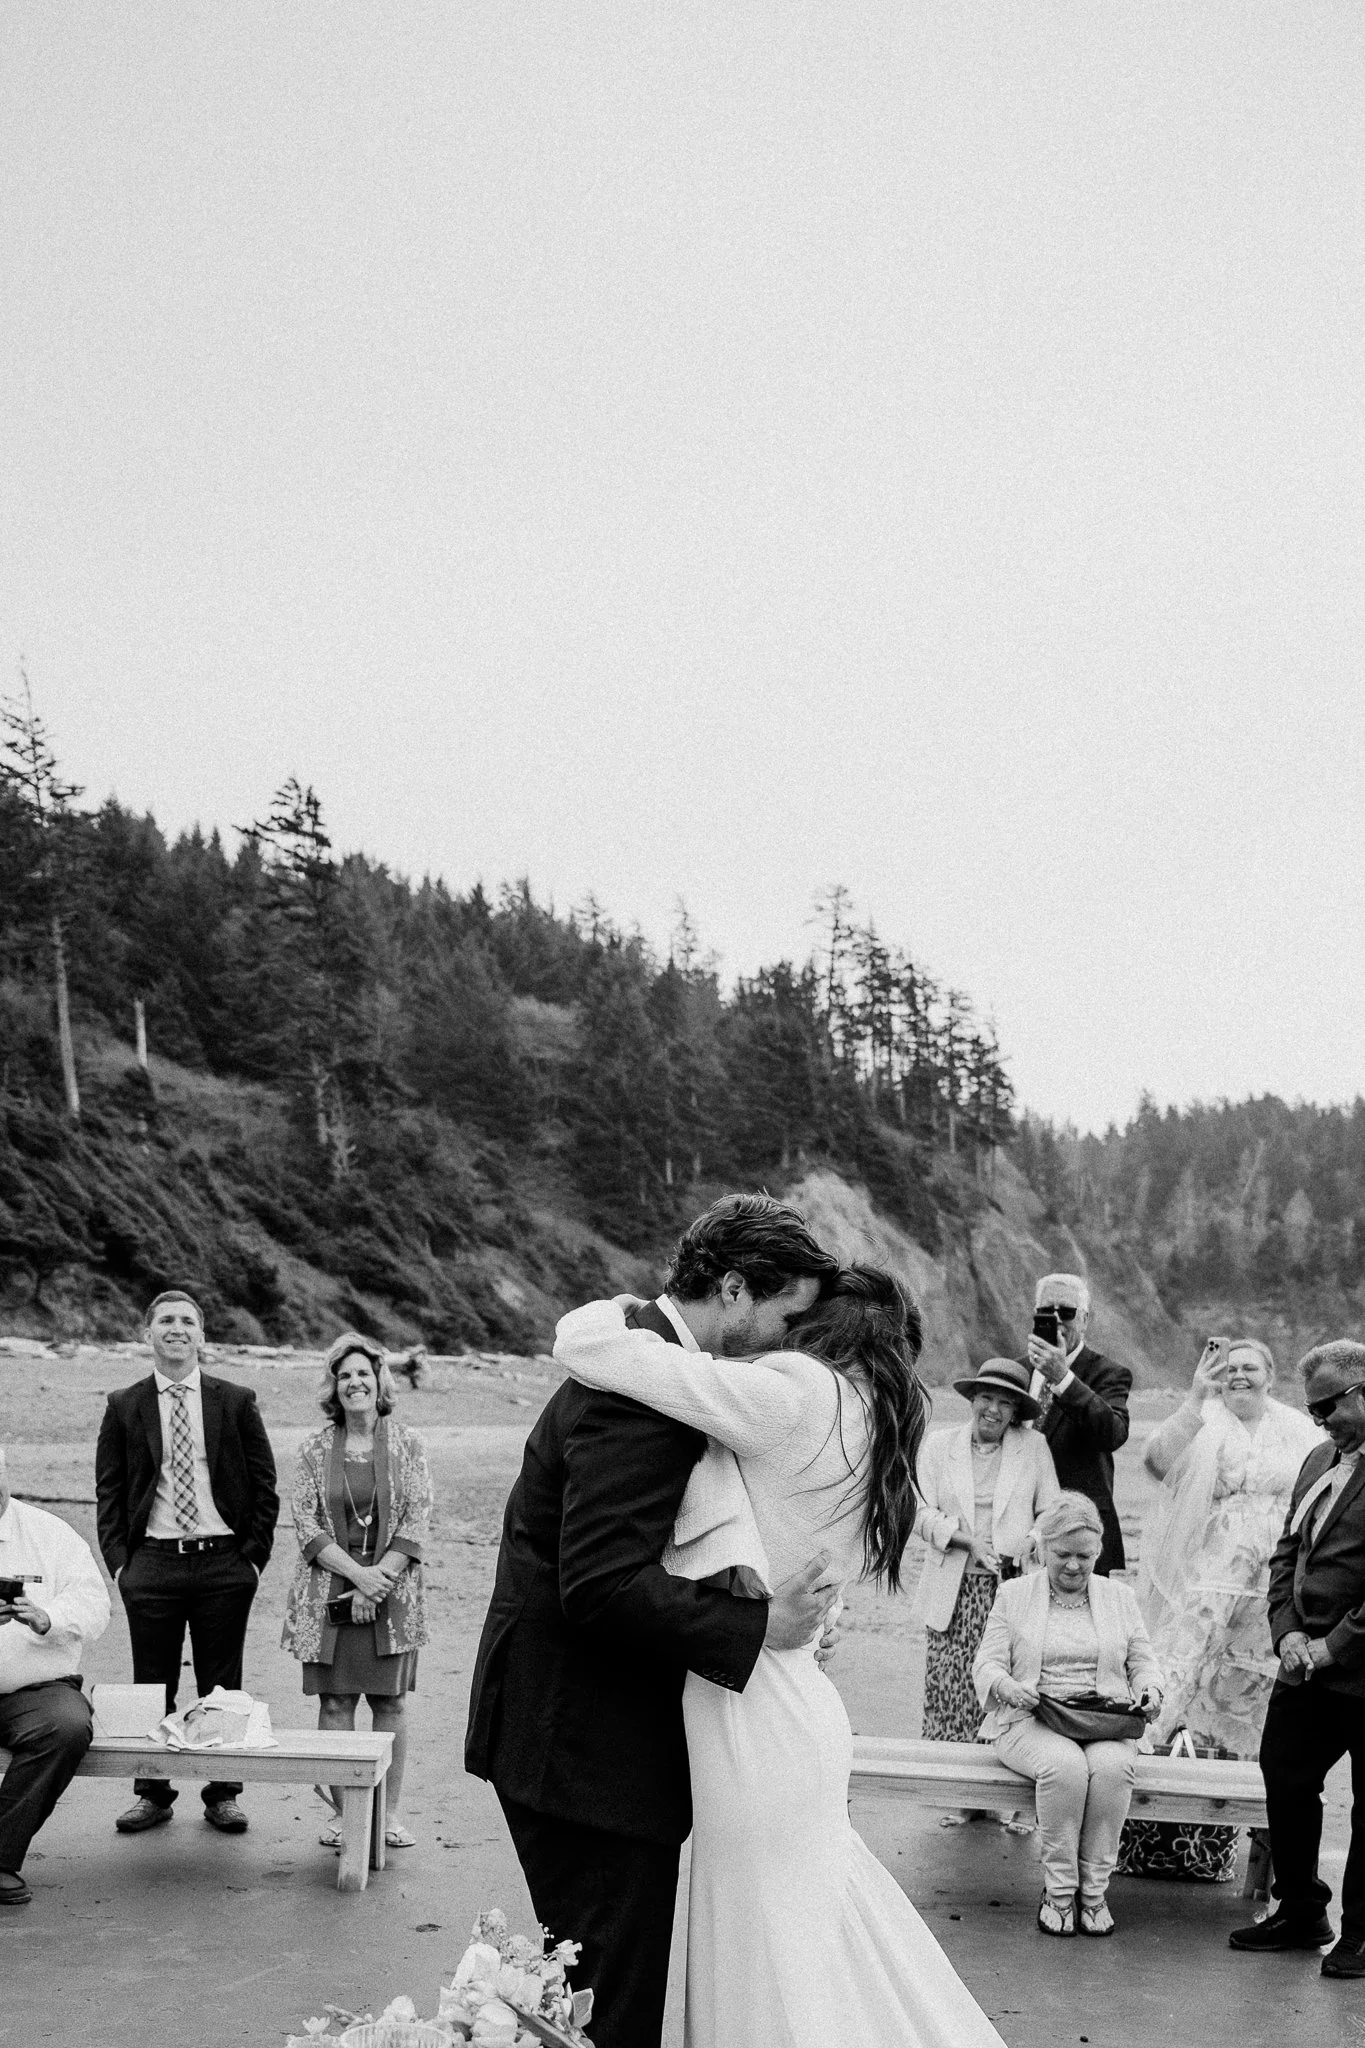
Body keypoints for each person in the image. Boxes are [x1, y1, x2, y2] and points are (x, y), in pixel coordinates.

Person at [555, 1264, 1012, 2048]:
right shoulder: (872, 1412)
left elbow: (599, 1350)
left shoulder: (796, 1388)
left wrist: (619, 1309)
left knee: (761, 1930)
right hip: (787, 1694)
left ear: (820, 1323)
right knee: (799, 1925)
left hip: (753, 1707)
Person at [465, 1194, 846, 2048]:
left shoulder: (642, 1358)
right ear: (737, 1288)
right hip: (584, 1754)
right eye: (787, 1315)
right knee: (610, 2004)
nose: (789, 1341)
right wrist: (759, 1628)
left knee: (585, 1989)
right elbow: (598, 1585)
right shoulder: (642, 1398)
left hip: (564, 1733)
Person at [1127, 1336, 1317, 1883]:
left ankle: (1236, 1837)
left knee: (1248, 1695)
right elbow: (1158, 1463)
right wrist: (1193, 1398)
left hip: (1272, 1582)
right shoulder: (1205, 1418)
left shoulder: (1295, 1427)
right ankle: (1144, 1814)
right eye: (1229, 1367)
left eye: (1249, 1367)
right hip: (1210, 1573)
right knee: (1183, 1674)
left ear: (1271, 1374)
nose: (1238, 1376)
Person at [94, 1289, 279, 1836]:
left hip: (223, 1562)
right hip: (151, 1564)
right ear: (147, 1333)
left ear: (202, 1335)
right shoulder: (124, 1405)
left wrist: (253, 1559)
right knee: (152, 1685)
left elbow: (264, 1484)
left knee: (223, 1686)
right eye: (166, 1321)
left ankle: (222, 1792)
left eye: (188, 1321)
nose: (177, 1329)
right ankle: (153, 1793)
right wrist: (121, 1565)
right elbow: (109, 1490)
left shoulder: (235, 1400)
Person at [1229, 1340, 1365, 1978]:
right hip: (1300, 1662)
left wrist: (1332, 1646)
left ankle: (1361, 1936)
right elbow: (1287, 1554)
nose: (1318, 1421)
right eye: (1310, 1410)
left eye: (1328, 1408)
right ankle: (1301, 1908)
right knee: (1284, 1775)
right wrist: (1285, 1632)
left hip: (1358, 1670)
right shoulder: (1318, 1459)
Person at [973, 1491, 1163, 1938]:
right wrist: (1007, 1687)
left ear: (1099, 1552)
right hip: (1030, 1719)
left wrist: (1151, 1690)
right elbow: (987, 1663)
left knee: (1114, 1767)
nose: (1074, 1566)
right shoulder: (1014, 1594)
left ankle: (1094, 1893)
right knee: (1065, 1767)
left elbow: (1143, 1661)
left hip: (1103, 1720)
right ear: (1041, 1549)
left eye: (1085, 1556)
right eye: (1062, 1555)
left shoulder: (1119, 1596)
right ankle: (1060, 1894)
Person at [282, 1333, 433, 1850]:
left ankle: (386, 1816)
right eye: (344, 1375)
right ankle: (344, 1817)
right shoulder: (312, 1449)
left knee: (389, 1704)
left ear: (379, 1381)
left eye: (363, 1374)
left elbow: (418, 1519)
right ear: (334, 1386)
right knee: (335, 1702)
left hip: (394, 1594)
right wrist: (358, 1577)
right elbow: (305, 1525)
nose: (354, 1383)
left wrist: (377, 1581)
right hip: (328, 1591)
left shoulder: (410, 1444)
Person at [914, 1358, 1058, 1746]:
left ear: (1015, 1412)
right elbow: (919, 1512)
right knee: (950, 1687)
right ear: (972, 1399)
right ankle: (950, 1795)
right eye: (986, 1398)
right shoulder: (940, 1446)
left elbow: (1051, 1511)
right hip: (953, 1591)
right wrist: (968, 1542)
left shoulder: (1034, 1447)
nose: (993, 1410)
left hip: (1010, 1589)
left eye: (1005, 1403)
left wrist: (1034, 1538)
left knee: (1004, 1687)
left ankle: (994, 1800)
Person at [0, 1445, 110, 1906]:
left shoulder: (50, 1533)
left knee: (66, 1726)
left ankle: (1, 1858)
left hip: (35, 1687)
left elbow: (95, 1607)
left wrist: (47, 1617)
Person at [1024, 1274, 1132, 1576]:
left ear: (1085, 1320)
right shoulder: (1017, 1371)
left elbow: (1112, 1433)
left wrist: (1063, 1378)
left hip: (1079, 1530)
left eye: (1067, 1312)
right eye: (1047, 1311)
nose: (1057, 1320)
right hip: (1020, 1526)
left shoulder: (1108, 1373)